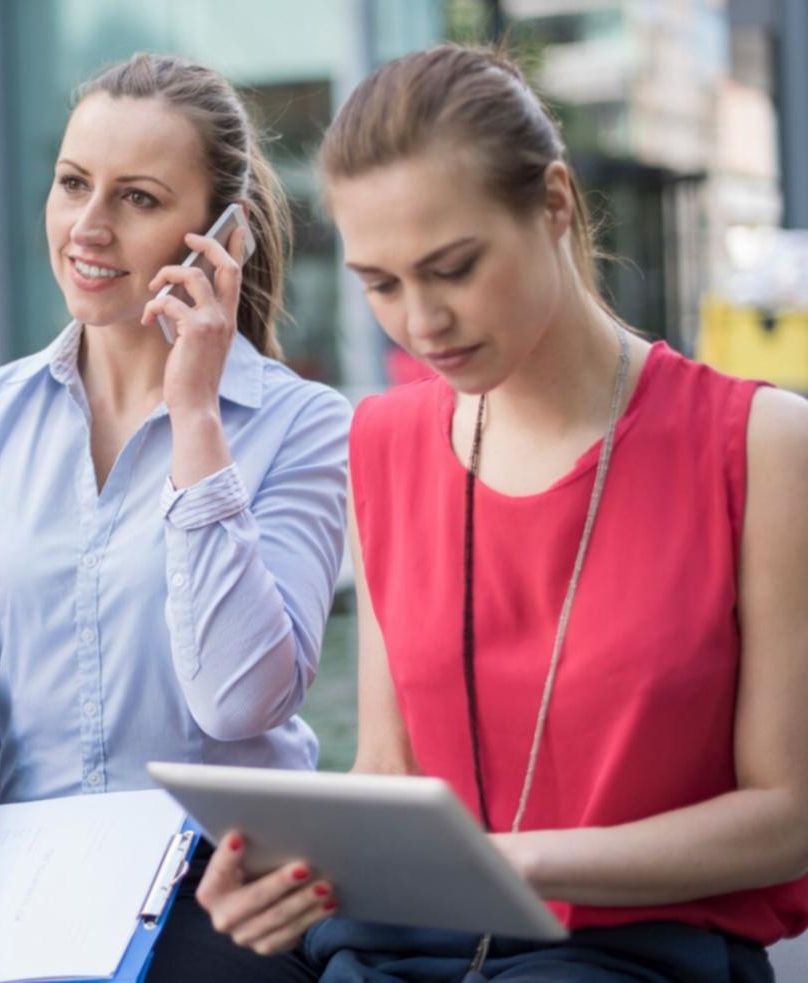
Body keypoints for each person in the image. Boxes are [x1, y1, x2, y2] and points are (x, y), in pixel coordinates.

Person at [194, 43, 808, 981]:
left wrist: (523, 862)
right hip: (413, 947)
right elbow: (390, 774)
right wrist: (290, 879)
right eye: (381, 283)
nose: (420, 321)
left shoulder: (757, 445)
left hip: (641, 956)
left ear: (553, 203)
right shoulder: (385, 442)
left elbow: (787, 816)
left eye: (452, 267)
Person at [0, 52, 351, 983]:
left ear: (220, 236)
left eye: (138, 198)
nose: (88, 226)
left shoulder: (302, 425)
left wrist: (195, 413)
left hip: (227, 890)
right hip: (36, 883)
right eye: (73, 182)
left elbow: (239, 698)